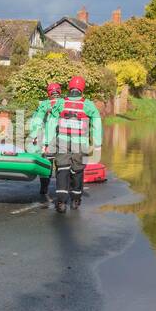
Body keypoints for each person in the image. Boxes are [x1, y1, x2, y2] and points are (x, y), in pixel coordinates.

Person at [43, 75, 102, 212]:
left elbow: (52, 124)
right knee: (78, 171)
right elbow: (97, 123)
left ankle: (61, 203)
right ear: (82, 89)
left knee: (62, 170)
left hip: (62, 142)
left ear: (69, 88)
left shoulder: (60, 103)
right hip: (80, 145)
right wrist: (98, 143)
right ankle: (75, 200)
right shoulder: (87, 105)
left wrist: (47, 143)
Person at [27, 81, 62, 203]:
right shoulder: (64, 103)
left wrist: (35, 135)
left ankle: (44, 188)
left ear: (49, 93)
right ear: (59, 92)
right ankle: (61, 188)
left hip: (47, 140)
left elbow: (36, 121)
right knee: (61, 166)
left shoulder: (44, 105)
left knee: (46, 165)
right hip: (61, 139)